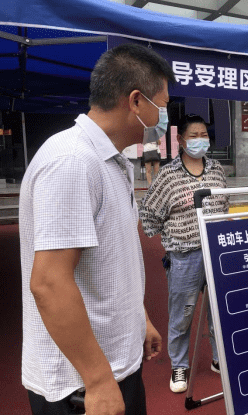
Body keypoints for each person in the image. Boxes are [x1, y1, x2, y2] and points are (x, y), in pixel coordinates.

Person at [19, 43, 175, 415]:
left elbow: (111, 260)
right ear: (135, 101)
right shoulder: (72, 162)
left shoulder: (112, 161)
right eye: (162, 106)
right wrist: (98, 380)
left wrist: (140, 320)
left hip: (113, 366)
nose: (164, 117)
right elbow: (49, 282)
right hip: (79, 385)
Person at [139, 114, 229, 394]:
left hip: (217, 253)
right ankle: (179, 364)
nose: (200, 140)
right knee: (183, 314)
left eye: (204, 135)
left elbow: (224, 205)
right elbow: (149, 216)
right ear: (180, 140)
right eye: (194, 135)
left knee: (218, 311)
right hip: (185, 258)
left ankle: (219, 358)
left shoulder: (216, 170)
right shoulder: (168, 175)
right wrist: (174, 236)